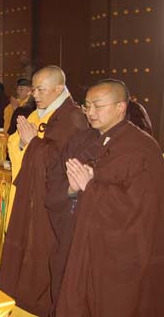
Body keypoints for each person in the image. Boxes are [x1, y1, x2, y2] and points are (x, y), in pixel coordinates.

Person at [54, 80, 164, 317]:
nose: (90, 112)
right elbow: (77, 185)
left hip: (120, 254)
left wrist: (91, 188)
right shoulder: (94, 139)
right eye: (86, 106)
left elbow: (141, 208)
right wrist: (74, 189)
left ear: (121, 107)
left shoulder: (142, 148)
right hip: (88, 241)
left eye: (98, 105)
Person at [0, 65, 88, 316]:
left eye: (40, 89)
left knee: (40, 255)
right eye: (33, 88)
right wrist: (27, 143)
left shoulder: (72, 117)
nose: (33, 94)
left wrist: (32, 143)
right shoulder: (40, 113)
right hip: (28, 193)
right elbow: (18, 146)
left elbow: (62, 161)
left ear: (59, 88)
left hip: (52, 202)